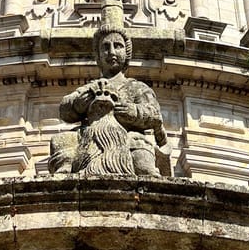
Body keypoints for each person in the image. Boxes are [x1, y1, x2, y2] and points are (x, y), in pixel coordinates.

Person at [49, 26, 168, 176]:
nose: (111, 52)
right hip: (89, 137)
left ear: (126, 53)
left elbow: (155, 115)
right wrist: (81, 102)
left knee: (138, 146)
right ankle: (65, 172)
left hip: (126, 137)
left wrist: (132, 111)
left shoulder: (136, 87)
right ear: (98, 56)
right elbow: (65, 110)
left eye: (117, 46)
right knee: (62, 140)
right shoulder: (90, 88)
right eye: (105, 47)